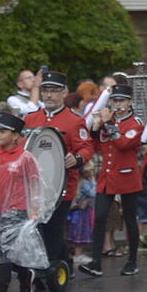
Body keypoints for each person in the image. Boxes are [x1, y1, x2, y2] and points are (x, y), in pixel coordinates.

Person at [23, 71, 95, 272]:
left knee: (53, 227)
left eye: (54, 91)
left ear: (64, 92)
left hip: (61, 186)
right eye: (45, 90)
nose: (49, 95)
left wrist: (77, 158)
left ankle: (50, 272)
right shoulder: (30, 118)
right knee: (40, 228)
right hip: (34, 186)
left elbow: (86, 147)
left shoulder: (74, 120)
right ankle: (65, 264)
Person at [0, 113, 48, 292]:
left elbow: (34, 183)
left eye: (2, 131)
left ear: (15, 136)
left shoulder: (25, 158)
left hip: (16, 209)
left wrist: (34, 207)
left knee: (5, 250)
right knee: (2, 249)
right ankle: (25, 274)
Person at [78, 84, 144, 277]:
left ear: (129, 102)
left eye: (122, 101)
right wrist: (96, 127)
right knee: (99, 218)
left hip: (127, 175)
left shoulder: (135, 123)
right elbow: (96, 145)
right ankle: (96, 263)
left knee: (130, 219)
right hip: (107, 176)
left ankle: (132, 261)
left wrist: (107, 124)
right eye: (115, 101)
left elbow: (124, 143)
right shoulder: (110, 122)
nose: (118, 104)